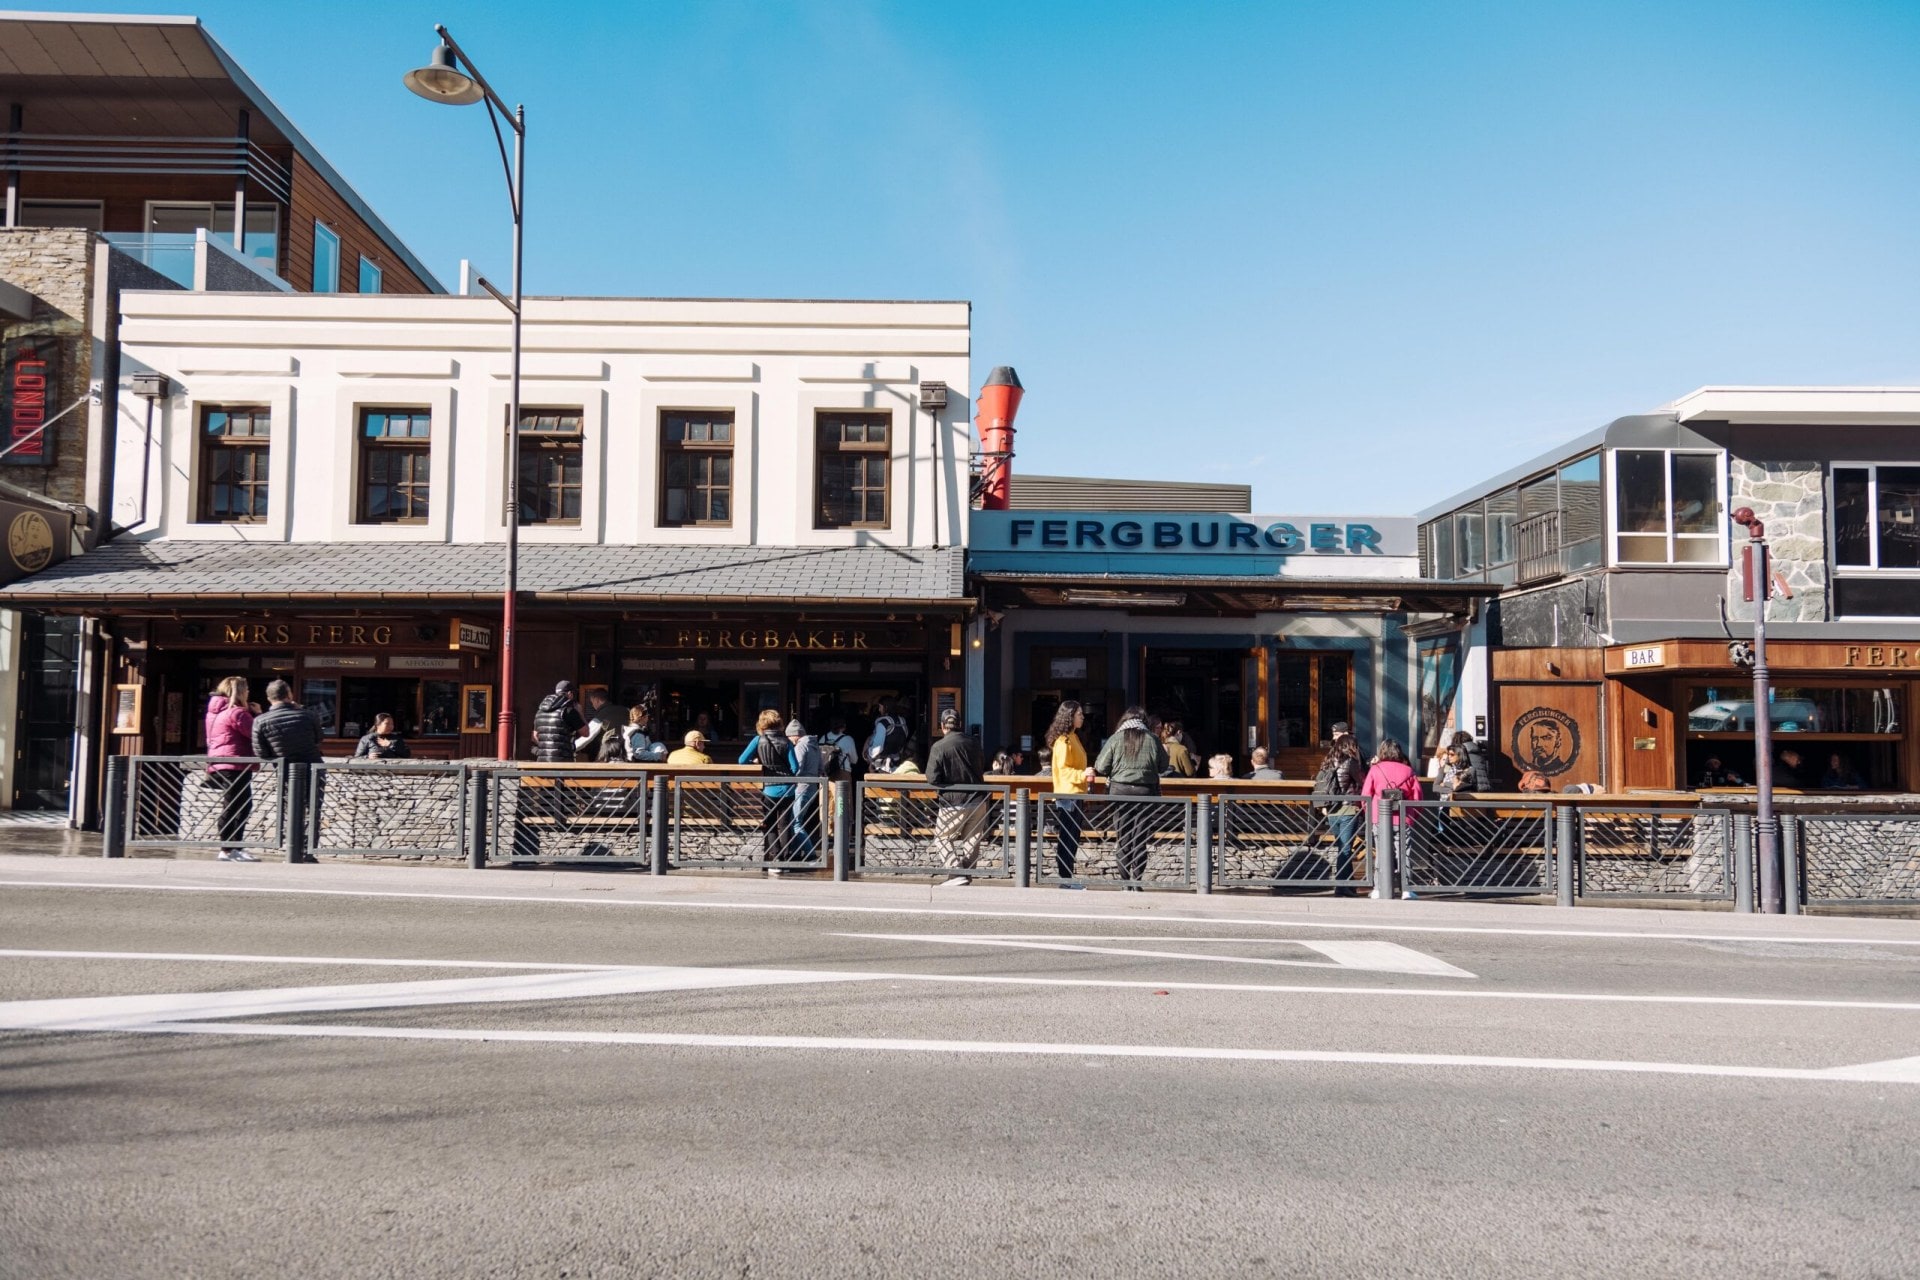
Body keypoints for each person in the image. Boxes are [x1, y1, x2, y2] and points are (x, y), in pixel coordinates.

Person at [1091, 706, 1170, 889]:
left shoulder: (1116, 738)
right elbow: (1164, 766)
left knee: (1123, 836)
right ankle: (1137, 880)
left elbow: (1101, 766)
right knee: (1140, 837)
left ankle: (1125, 881)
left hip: (1120, 792)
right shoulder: (1152, 739)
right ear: (1145, 721)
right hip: (1146, 793)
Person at [252, 679, 324, 863]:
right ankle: (308, 851)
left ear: (269, 698)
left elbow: (261, 752)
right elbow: (318, 738)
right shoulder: (308, 715)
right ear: (289, 695)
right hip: (312, 768)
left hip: (285, 771)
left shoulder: (260, 721)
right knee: (313, 809)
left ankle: (290, 848)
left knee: (289, 809)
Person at [925, 707, 990, 886]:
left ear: (942, 726)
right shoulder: (974, 743)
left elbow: (932, 777)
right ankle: (965, 874)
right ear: (960, 724)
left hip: (953, 801)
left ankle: (955, 872)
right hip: (978, 799)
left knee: (942, 837)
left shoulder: (939, 746)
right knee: (972, 839)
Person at [205, 676, 258, 862]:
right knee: (239, 805)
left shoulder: (215, 712)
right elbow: (255, 733)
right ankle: (229, 848)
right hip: (235, 763)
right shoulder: (237, 713)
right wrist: (257, 714)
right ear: (242, 692)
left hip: (220, 762)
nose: (249, 692)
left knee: (234, 803)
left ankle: (232, 847)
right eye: (247, 689)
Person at [740, 709, 796, 871]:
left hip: (769, 790)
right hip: (788, 790)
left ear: (761, 724)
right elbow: (795, 767)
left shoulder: (758, 740)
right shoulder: (787, 742)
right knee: (785, 824)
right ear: (779, 723)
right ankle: (786, 860)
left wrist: (757, 761)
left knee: (770, 824)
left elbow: (742, 760)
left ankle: (776, 858)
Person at [1045, 700, 1092, 884]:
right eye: (1079, 714)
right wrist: (1083, 774)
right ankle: (1065, 876)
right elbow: (1064, 770)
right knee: (1068, 836)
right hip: (1068, 794)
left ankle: (1067, 875)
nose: (1082, 716)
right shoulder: (1064, 741)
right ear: (1070, 717)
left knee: (1072, 836)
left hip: (1074, 793)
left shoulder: (1073, 737)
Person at [1316, 734, 1366, 894]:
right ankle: (1341, 886)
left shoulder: (1327, 762)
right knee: (1345, 849)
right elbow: (1362, 782)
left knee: (1342, 847)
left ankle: (1349, 885)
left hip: (1331, 811)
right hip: (1348, 809)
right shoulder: (1351, 762)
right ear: (1351, 746)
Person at [1360, 740, 1424, 851]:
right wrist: (1413, 815)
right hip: (1404, 817)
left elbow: (1366, 795)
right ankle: (1403, 869)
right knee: (1403, 855)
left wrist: (1369, 814)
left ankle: (1379, 869)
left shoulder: (1375, 769)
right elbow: (1417, 797)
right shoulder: (1408, 771)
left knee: (1381, 853)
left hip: (1378, 816)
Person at [787, 719, 823, 861]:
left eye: (789, 737)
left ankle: (811, 854)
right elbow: (821, 767)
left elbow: (798, 767)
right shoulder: (814, 745)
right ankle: (795, 854)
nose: (789, 740)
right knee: (798, 821)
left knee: (795, 822)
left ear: (795, 735)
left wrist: (790, 777)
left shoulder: (801, 746)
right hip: (812, 786)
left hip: (801, 786)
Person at [532, 681, 583, 763]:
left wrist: (547, 747)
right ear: (570, 694)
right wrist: (580, 713)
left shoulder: (540, 710)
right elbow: (585, 732)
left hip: (542, 761)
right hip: (563, 760)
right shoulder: (569, 711)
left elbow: (535, 736)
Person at [865, 699, 910, 774]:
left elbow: (877, 748)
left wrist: (867, 753)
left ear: (886, 707)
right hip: (897, 764)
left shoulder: (883, 723)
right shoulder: (903, 722)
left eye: (880, 707)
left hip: (881, 766)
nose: (879, 710)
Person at [572, 689, 617, 762]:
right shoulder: (624, 710)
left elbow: (588, 735)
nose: (592, 705)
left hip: (610, 753)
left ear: (597, 700)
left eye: (592, 702)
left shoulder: (603, 714)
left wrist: (570, 748)